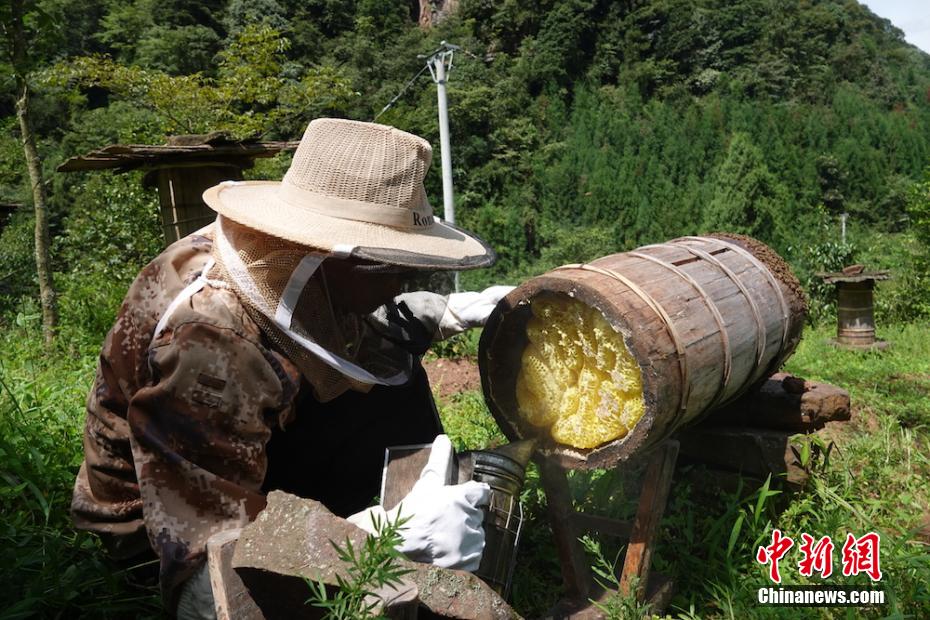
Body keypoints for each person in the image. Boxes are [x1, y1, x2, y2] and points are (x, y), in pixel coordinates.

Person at [71, 118, 511, 618]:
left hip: (231, 457)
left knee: (395, 377)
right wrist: (377, 541)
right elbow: (205, 580)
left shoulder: (291, 264)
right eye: (396, 268)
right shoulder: (211, 343)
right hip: (153, 533)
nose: (403, 283)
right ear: (332, 254)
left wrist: (448, 312)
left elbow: (344, 324)